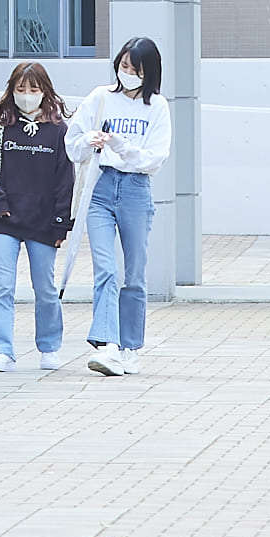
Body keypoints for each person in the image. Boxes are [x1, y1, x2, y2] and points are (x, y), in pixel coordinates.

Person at [70, 35, 166, 372]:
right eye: (124, 66)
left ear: (148, 72)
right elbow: (73, 143)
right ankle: (108, 344)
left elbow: (155, 158)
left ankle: (130, 348)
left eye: (135, 69)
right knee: (105, 269)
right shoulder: (100, 97)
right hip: (101, 184)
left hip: (136, 189)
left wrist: (123, 145)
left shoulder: (158, 107)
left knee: (135, 273)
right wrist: (88, 139)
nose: (127, 73)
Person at [0, 60, 78, 372]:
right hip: (4, 221)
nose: (27, 95)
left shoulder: (59, 131)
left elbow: (66, 179)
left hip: (43, 223)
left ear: (45, 91)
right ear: (12, 91)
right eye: (21, 89)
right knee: (2, 286)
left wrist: (62, 222)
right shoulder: (1, 127)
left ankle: (49, 346)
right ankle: (1, 350)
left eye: (33, 89)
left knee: (44, 288)